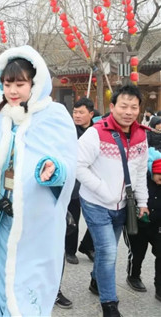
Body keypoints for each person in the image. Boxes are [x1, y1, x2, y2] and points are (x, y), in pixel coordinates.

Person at [0, 46, 77, 317]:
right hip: (0, 219)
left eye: (20, 84)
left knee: (28, 288)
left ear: (35, 83)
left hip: (37, 223)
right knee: (1, 280)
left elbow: (68, 163)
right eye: (7, 83)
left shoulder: (55, 116)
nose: (13, 90)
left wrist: (53, 169)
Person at [77, 84, 149, 316]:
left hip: (123, 205)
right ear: (112, 106)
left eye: (134, 107)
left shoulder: (140, 135)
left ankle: (96, 281)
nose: (128, 111)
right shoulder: (95, 133)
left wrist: (142, 202)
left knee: (108, 250)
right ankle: (110, 304)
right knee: (108, 251)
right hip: (96, 203)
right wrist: (103, 191)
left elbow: (139, 173)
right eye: (123, 106)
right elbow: (77, 165)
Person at [123, 147, 161, 299]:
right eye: (159, 176)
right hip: (137, 223)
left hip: (158, 224)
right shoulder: (140, 181)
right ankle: (133, 276)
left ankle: (159, 286)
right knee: (137, 252)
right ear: (153, 172)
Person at [65, 97, 96, 265]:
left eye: (81, 112)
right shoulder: (68, 130)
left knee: (96, 217)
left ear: (90, 114)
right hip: (74, 181)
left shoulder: (97, 131)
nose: (76, 115)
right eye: (75, 112)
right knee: (73, 217)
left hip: (93, 179)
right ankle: (69, 250)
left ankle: (88, 246)